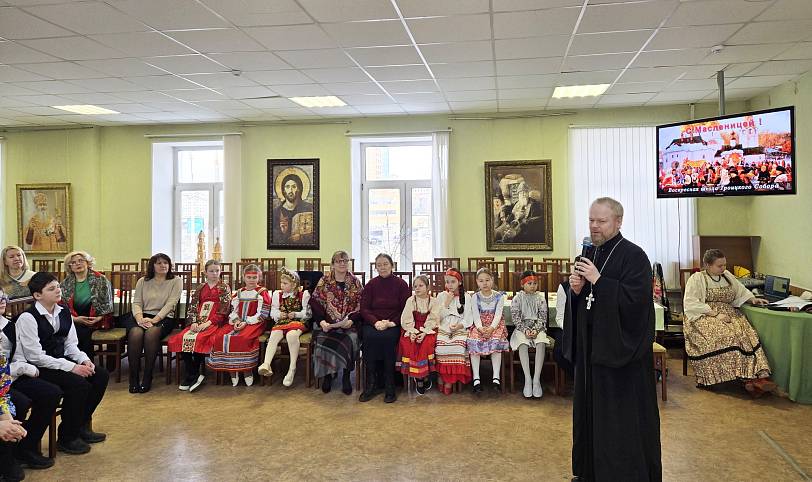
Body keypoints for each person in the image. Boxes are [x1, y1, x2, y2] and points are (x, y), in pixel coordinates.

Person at [564, 197, 661, 481]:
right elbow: (587, 303)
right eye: (591, 220)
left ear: (618, 222)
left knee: (620, 423)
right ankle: (590, 472)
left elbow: (636, 303)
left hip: (621, 360)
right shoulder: (588, 254)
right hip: (593, 353)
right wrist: (577, 291)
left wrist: (599, 281)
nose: (594, 226)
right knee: (590, 419)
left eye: (601, 221)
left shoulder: (634, 256)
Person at [15, 273, 108, 456]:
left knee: (99, 375)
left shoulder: (63, 311)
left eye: (57, 286)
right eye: (51, 288)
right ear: (37, 295)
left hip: (59, 360)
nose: (58, 290)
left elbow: (70, 344)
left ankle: (80, 425)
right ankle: (67, 437)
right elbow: (35, 356)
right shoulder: (28, 318)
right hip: (37, 367)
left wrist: (84, 360)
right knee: (79, 384)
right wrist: (72, 367)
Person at [683, 249, 776, 397]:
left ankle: (757, 378)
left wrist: (752, 299)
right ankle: (746, 380)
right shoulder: (697, 279)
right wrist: (715, 314)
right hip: (703, 315)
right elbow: (691, 303)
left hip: (729, 313)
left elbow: (741, 290)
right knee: (727, 336)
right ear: (707, 265)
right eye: (719, 266)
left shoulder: (727, 276)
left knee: (746, 335)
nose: (723, 268)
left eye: (724, 265)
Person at [2, 287, 60, 471]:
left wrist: (21, 368)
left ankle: (27, 446)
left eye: (3, 296)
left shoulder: (9, 324)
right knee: (19, 402)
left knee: (51, 393)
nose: (2, 300)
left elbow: (19, 355)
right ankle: (7, 456)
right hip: (5, 379)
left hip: (12, 375)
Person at [167, 260, 231, 393]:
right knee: (182, 338)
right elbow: (193, 305)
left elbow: (224, 309)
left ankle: (193, 374)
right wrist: (193, 322)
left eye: (217, 271)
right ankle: (192, 373)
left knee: (201, 339)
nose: (214, 273)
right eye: (211, 271)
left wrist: (208, 323)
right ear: (205, 273)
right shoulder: (200, 287)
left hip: (214, 322)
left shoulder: (224, 287)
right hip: (198, 321)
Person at [122, 253, 182, 394]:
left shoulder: (176, 281)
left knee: (152, 332)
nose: (163, 265)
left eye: (165, 263)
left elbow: (171, 304)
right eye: (159, 263)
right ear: (152, 266)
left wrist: (155, 320)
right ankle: (134, 377)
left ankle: (148, 376)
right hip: (141, 316)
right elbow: (136, 302)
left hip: (164, 317)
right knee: (135, 333)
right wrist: (139, 318)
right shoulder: (143, 281)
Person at [358, 253, 411, 403]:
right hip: (373, 323)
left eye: (385, 264)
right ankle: (371, 384)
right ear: (375, 268)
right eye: (379, 265)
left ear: (392, 265)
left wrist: (390, 323)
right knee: (369, 337)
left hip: (393, 323)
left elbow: (405, 309)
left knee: (388, 339)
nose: (382, 267)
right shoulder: (371, 284)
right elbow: (364, 309)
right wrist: (375, 322)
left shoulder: (401, 284)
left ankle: (390, 385)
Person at [310, 251, 363, 395]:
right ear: (332, 264)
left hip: (349, 324)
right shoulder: (324, 281)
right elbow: (315, 303)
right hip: (328, 324)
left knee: (350, 339)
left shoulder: (355, 282)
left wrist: (352, 320)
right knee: (322, 341)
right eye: (339, 261)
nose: (342, 264)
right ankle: (327, 375)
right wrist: (321, 321)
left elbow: (361, 305)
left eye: (345, 261)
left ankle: (346, 377)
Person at [207, 264, 269, 387]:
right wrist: (235, 321)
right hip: (237, 321)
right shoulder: (239, 292)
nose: (251, 280)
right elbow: (233, 310)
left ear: (259, 278)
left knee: (242, 338)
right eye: (249, 277)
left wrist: (246, 322)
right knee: (221, 336)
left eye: (254, 277)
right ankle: (232, 370)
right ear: (243, 278)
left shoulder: (262, 292)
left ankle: (246, 369)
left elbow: (263, 313)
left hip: (254, 322)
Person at [258, 268, 311, 387]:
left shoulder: (303, 294)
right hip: (283, 321)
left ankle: (292, 368)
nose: (282, 285)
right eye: (281, 283)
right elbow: (273, 310)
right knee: (274, 334)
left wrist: (296, 314)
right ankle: (267, 363)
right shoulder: (278, 295)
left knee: (291, 335)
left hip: (298, 322)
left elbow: (307, 313)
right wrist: (278, 314)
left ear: (293, 285)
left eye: (285, 283)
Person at [59, 251, 113, 359]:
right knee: (68, 331)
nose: (77, 264)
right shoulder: (65, 283)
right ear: (70, 267)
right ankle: (77, 364)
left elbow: (107, 303)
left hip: (96, 318)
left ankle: (85, 365)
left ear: (88, 263)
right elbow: (61, 306)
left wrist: (98, 318)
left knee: (82, 332)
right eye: (73, 262)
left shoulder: (101, 279)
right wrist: (74, 319)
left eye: (80, 261)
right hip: (74, 318)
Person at [466, 268, 508, 394]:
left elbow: (498, 314)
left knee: (496, 341)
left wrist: (491, 329)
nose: (485, 283)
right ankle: (476, 379)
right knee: (473, 341)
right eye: (481, 281)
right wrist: (480, 328)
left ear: (492, 280)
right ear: (477, 282)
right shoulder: (475, 297)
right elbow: (475, 315)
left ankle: (496, 377)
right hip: (480, 326)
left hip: (495, 326)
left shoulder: (499, 296)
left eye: (487, 280)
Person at [432, 268, 473, 395]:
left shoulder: (466, 296)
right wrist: (446, 303)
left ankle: (450, 380)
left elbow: (468, 317)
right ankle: (441, 376)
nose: (450, 285)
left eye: (453, 282)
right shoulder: (441, 296)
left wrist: (460, 325)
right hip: (444, 325)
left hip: (459, 325)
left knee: (457, 346)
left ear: (459, 282)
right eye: (447, 282)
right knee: (440, 345)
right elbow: (437, 316)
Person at [509, 270, 549, 399]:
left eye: (535, 283)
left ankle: (536, 379)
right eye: (529, 283)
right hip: (522, 328)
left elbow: (543, 318)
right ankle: (528, 379)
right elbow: (515, 318)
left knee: (541, 342)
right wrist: (525, 329)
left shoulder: (541, 299)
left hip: (538, 327)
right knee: (522, 343)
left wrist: (536, 330)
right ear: (522, 284)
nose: (533, 286)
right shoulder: (517, 299)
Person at [398, 275, 438, 395]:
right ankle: (419, 378)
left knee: (426, 344)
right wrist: (412, 332)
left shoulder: (433, 301)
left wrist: (424, 333)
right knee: (410, 344)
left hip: (428, 329)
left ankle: (425, 375)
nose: (418, 288)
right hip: (412, 328)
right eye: (415, 286)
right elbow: (406, 318)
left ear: (428, 287)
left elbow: (433, 319)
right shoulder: (411, 300)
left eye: (421, 285)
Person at [272, 170, 314, 245]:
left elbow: (315, 234)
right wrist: (283, 233)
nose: (290, 190)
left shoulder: (309, 208)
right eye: (287, 187)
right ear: (283, 190)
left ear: (298, 189)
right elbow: (275, 241)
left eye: (294, 187)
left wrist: (301, 237)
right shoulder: (276, 212)